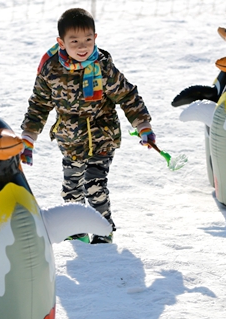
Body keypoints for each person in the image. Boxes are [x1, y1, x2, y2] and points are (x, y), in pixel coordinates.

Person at [20, 8, 155, 244]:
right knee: (72, 187)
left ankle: (103, 232)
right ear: (61, 42)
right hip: (70, 140)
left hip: (103, 135)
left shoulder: (102, 68)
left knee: (95, 184)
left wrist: (142, 125)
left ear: (95, 38)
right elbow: (39, 105)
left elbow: (127, 96)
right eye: (74, 41)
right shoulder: (51, 70)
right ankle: (76, 230)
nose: (82, 47)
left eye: (88, 40)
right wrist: (29, 137)